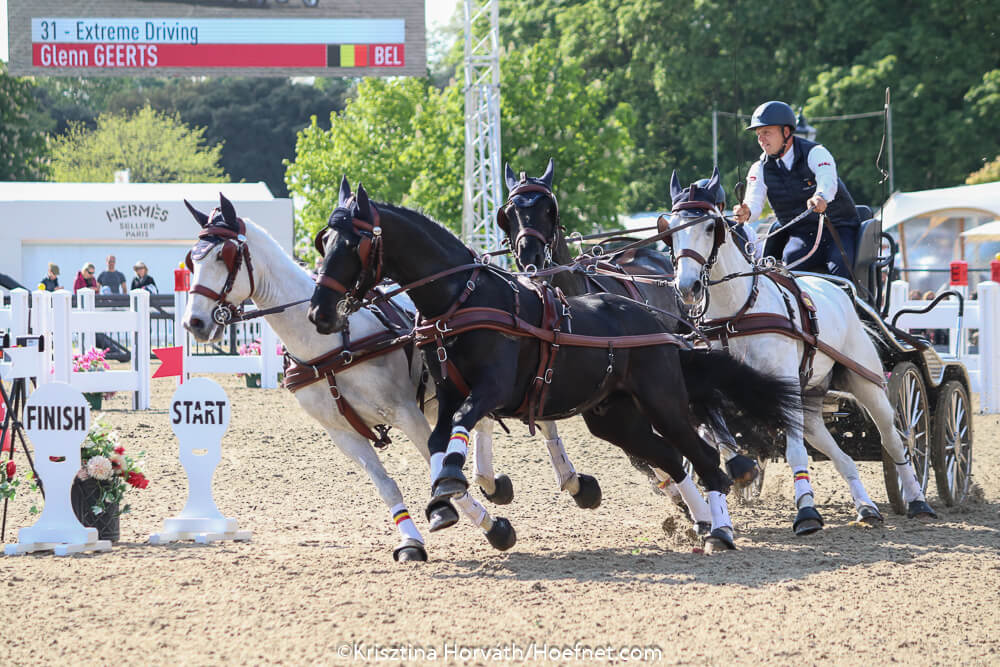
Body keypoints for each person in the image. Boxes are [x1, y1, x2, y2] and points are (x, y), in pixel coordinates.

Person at [733, 100, 861, 279]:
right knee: (788, 270)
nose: (761, 139)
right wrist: (746, 212)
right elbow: (754, 202)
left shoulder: (816, 152)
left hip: (838, 229)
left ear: (786, 132)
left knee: (840, 269)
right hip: (802, 235)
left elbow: (827, 180)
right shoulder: (758, 168)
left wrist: (820, 196)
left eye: (766, 132)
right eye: (758, 134)